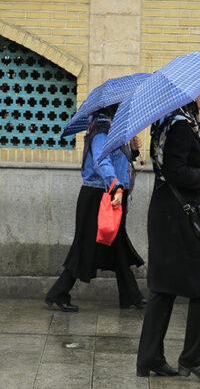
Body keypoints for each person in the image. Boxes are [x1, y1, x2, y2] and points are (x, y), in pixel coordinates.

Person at [136, 90, 200, 384]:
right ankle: (193, 357)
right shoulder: (179, 125)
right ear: (186, 94)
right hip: (177, 218)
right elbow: (176, 172)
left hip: (166, 213)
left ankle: (149, 357)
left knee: (163, 288)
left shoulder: (171, 121)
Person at [45, 104, 146, 312]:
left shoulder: (112, 128)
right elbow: (101, 160)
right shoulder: (101, 129)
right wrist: (115, 185)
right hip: (99, 196)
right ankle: (59, 292)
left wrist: (133, 150)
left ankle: (131, 295)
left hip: (111, 194)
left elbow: (117, 161)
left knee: (117, 245)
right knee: (85, 245)